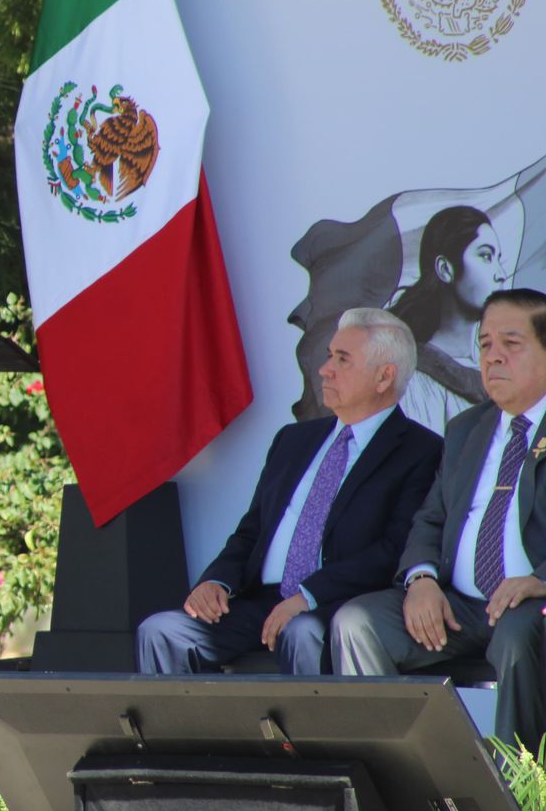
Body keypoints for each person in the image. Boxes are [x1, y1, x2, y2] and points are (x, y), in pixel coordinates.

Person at [136, 309, 441, 674]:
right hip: (256, 600)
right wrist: (215, 580)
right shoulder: (294, 440)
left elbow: (393, 550)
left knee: (302, 632)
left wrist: (308, 595)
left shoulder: (420, 451)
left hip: (332, 604)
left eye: (342, 360)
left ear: (384, 376)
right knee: (160, 632)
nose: (325, 369)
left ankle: (306, 735)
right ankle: (184, 734)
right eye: (329, 355)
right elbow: (253, 529)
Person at [333, 289, 546, 751]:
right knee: (356, 622)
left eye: (511, 344)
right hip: (458, 607)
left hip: (530, 606)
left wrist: (539, 580)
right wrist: (422, 579)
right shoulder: (467, 428)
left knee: (518, 634)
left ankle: (523, 792)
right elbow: (430, 519)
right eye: (485, 344)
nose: (493, 358)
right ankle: (396, 775)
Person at [391, 204, 506, 431]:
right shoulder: (413, 381)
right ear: (445, 269)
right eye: (485, 256)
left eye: (498, 259)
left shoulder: (506, 369)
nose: (500, 274)